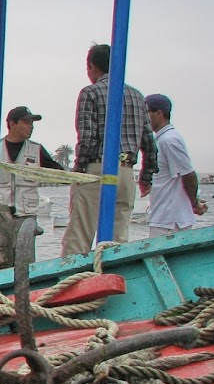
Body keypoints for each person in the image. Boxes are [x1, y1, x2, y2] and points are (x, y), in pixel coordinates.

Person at [60, 43, 157, 256]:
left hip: (97, 168)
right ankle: (112, 281)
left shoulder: (90, 93)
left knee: (78, 238)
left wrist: (79, 170)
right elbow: (149, 142)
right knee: (117, 241)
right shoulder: (137, 96)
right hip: (126, 172)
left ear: (92, 67)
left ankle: (72, 282)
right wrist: (146, 176)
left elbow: (86, 137)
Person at [0, 105, 63, 218]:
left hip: (27, 214)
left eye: (32, 123)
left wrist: (80, 177)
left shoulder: (37, 149)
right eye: (26, 122)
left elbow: (58, 172)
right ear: (12, 124)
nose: (31, 127)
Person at [142, 93, 207, 237]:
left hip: (170, 221)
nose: (142, 118)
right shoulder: (161, 139)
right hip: (164, 217)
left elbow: (188, 175)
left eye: (145, 112)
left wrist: (194, 203)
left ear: (159, 113)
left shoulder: (169, 140)